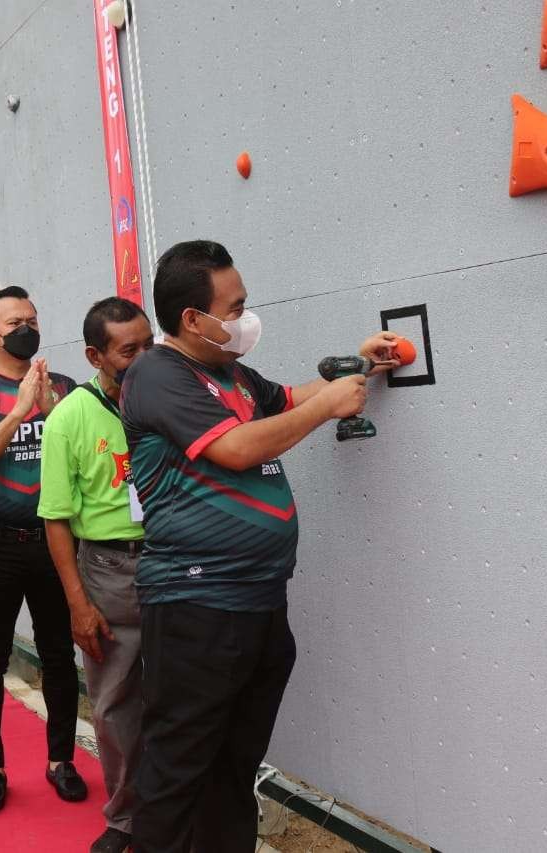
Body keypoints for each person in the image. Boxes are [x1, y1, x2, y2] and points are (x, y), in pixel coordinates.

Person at [120, 240, 400, 851]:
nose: (246, 317)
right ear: (194, 319)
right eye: (236, 305)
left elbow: (288, 401)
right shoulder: (156, 374)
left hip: (257, 603)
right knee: (176, 772)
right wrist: (328, 408)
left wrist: (359, 366)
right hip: (196, 605)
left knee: (234, 767)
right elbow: (240, 447)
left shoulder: (229, 373)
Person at [0, 284, 86, 812]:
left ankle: (62, 761)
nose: (26, 328)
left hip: (56, 545)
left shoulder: (68, 388)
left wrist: (52, 412)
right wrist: (20, 410)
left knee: (58, 655)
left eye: (32, 318)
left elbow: (85, 457)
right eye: (13, 322)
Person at [39, 297, 154, 853]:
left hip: (175, 559)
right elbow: (56, 521)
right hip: (109, 569)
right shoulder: (68, 419)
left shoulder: (166, 396)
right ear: (95, 355)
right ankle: (126, 818)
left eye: (148, 344)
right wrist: (78, 604)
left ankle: (184, 809)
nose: (144, 357)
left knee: (184, 693)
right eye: (130, 350)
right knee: (114, 702)